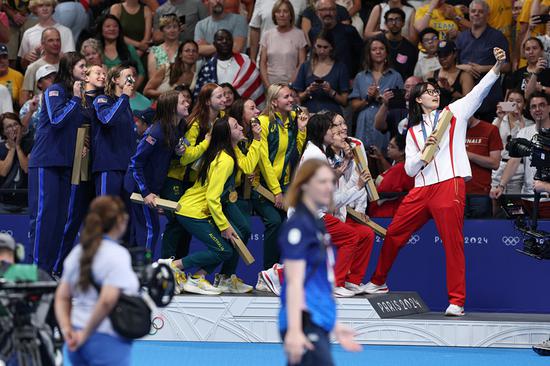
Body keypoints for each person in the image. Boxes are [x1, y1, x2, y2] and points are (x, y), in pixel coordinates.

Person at [364, 48, 507, 317]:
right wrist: (422, 154)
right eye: (429, 91)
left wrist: (498, 67)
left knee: (452, 243)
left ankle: (456, 300)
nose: (435, 94)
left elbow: (479, 92)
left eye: (436, 92)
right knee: (394, 233)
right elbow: (408, 168)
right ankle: (378, 281)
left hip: (449, 185)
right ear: (418, 99)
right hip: (420, 189)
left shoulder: (454, 112)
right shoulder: (414, 131)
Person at [159, 116, 260, 295]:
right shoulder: (226, 160)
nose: (242, 129)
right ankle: (171, 266)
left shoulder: (226, 152)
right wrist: (224, 226)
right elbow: (213, 198)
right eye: (237, 127)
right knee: (223, 250)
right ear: (228, 135)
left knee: (226, 248)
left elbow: (246, 166)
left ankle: (197, 278)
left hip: (199, 209)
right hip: (193, 211)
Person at [279, 159, 362, 366]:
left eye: (331, 181)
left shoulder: (317, 225)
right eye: (322, 182)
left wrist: (334, 324)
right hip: (305, 320)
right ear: (305, 185)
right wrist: (296, 330)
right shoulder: (298, 226)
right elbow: (295, 282)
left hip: (319, 319)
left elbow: (320, 281)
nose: (329, 187)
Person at [54, 196, 139, 366]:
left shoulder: (77, 252)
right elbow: (107, 301)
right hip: (106, 339)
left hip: (75, 341)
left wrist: (67, 331)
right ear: (120, 220)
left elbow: (61, 297)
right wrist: (85, 334)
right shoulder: (118, 254)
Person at [299, 113, 374, 297]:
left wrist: (347, 166)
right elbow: (329, 199)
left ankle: (351, 281)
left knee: (365, 234)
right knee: (350, 237)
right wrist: (357, 187)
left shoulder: (322, 154)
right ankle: (336, 283)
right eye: (332, 128)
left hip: (325, 213)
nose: (337, 131)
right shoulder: (317, 158)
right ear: (322, 132)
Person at [27, 52, 87, 274]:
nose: (85, 70)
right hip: (46, 162)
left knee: (60, 219)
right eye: (82, 66)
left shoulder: (79, 97)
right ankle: (36, 272)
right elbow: (57, 119)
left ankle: (50, 270)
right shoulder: (55, 90)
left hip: (66, 164)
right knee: (44, 217)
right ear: (70, 67)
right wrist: (74, 98)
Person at [53, 64, 107, 277]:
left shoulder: (106, 99)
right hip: (81, 161)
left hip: (101, 164)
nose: (102, 75)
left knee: (99, 220)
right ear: (85, 77)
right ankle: (57, 267)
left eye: (104, 73)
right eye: (97, 73)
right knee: (74, 217)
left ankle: (94, 270)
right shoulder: (77, 98)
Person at [124, 90, 190, 251]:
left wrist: (178, 151)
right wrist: (145, 192)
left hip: (151, 187)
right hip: (138, 188)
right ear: (171, 108)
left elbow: (163, 156)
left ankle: (138, 270)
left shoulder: (179, 126)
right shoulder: (156, 131)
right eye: (183, 102)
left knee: (143, 231)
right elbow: (135, 163)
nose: (188, 103)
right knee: (150, 230)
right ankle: (145, 272)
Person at [254, 83, 308, 269]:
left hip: (285, 184)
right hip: (262, 185)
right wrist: (276, 191)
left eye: (291, 96)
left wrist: (301, 130)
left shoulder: (293, 119)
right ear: (274, 101)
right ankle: (268, 271)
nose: (291, 100)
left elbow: (296, 152)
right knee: (275, 222)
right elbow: (263, 161)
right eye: (286, 97)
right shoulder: (263, 122)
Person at [491, 92, 550, 217]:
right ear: (529, 110)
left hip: (547, 196)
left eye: (542, 105)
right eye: (533, 106)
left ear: (549, 107)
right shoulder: (524, 132)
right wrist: (501, 186)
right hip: (527, 196)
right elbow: (514, 161)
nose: (537, 109)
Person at [456, 0, 510, 121]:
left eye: (481, 12)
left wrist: (482, 68)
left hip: (490, 99)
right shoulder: (461, 37)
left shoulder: (497, 37)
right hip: (466, 99)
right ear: (469, 14)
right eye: (473, 11)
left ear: (487, 14)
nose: (476, 14)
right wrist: (465, 68)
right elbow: (453, 66)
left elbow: (507, 66)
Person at [350, 37, 403, 152]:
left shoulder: (395, 76)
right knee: (362, 158)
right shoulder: (360, 76)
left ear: (387, 52)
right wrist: (368, 98)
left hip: (385, 123)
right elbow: (353, 106)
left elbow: (400, 106)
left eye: (381, 49)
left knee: (384, 156)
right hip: (364, 123)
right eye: (374, 49)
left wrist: (380, 98)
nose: (378, 52)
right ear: (369, 53)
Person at [92, 64, 137, 198]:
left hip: (126, 166)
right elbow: (107, 120)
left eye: (133, 77)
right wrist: (124, 97)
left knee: (124, 214)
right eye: (127, 76)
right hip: (108, 165)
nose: (131, 80)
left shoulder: (126, 105)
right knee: (106, 211)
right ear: (115, 80)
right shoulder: (103, 99)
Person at [194, 29, 265, 107]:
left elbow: (256, 87)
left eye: (228, 39)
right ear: (214, 44)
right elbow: (203, 96)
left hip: (242, 110)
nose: (224, 41)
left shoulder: (245, 61)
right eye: (220, 39)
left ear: (232, 42)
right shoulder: (207, 68)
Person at [292, 30, 349, 114]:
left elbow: (344, 101)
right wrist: (307, 91)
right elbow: (297, 98)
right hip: (309, 113)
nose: (322, 51)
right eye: (319, 46)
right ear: (314, 46)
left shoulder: (340, 68)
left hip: (332, 114)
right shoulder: (305, 66)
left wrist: (331, 91)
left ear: (331, 47)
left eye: (325, 47)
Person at [491, 91, 533, 198]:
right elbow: (492, 139)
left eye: (518, 101)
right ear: (505, 102)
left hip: (518, 168)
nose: (514, 104)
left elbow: (525, 143)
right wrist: (500, 118)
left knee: (515, 202)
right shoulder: (498, 120)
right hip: (499, 166)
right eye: (510, 101)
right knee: (495, 200)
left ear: (524, 105)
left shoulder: (529, 124)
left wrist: (520, 120)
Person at [308, 0, 363, 77]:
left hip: (346, 81)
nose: (328, 13)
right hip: (321, 79)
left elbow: (361, 57)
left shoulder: (349, 31)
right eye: (323, 10)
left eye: (331, 9)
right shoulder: (313, 32)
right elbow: (314, 57)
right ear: (317, 13)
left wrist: (355, 78)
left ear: (336, 12)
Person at [259, 0, 307, 87]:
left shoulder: (299, 34)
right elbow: (262, 63)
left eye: (285, 11)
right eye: (278, 11)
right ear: (274, 14)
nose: (281, 15)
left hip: (292, 84)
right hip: (271, 85)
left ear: (291, 15)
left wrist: (290, 84)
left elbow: (302, 63)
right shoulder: (267, 35)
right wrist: (268, 86)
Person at [18, 0, 75, 69]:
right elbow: (23, 66)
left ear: (53, 8)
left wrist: (51, 53)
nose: (45, 9)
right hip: (36, 77)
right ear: (34, 9)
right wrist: (26, 59)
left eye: (48, 5)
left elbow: (71, 62)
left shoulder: (65, 31)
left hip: (59, 76)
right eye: (40, 5)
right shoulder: (28, 33)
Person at [464, 116, 503, 218]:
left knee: (481, 232)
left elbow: (495, 163)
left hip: (480, 193)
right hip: (454, 193)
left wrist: (468, 155)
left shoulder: (490, 129)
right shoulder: (451, 130)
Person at [368, 135, 415, 217]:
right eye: (388, 145)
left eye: (392, 147)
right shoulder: (399, 166)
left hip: (387, 212)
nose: (388, 148)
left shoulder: (400, 168)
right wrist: (380, 158)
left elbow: (382, 189)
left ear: (402, 151)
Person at [97, 15, 146, 89]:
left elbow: (141, 72)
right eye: (108, 26)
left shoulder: (129, 49)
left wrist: (132, 90)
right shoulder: (96, 50)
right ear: (101, 30)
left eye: (115, 26)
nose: (112, 29)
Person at [427, 40, 474, 109]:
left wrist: (451, 90)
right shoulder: (431, 75)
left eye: (446, 54)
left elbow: (469, 104)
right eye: (440, 55)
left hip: (457, 115)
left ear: (455, 54)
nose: (443, 58)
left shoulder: (465, 76)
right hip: (436, 116)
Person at [0, 113, 32, 214]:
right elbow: (3, 171)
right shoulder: (0, 148)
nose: (13, 129)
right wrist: (12, 148)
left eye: (15, 124)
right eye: (9, 127)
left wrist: (17, 146)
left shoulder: (30, 144)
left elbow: (26, 168)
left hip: (26, 203)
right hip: (4, 203)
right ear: (3, 132)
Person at [20, 27, 61, 105]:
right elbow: (23, 101)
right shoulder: (33, 68)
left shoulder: (66, 65)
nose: (55, 43)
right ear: (43, 44)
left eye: (58, 40)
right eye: (50, 40)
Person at [382, 8, 418, 81]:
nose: (394, 23)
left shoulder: (410, 48)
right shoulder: (377, 43)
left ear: (403, 23)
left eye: (397, 20)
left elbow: (410, 74)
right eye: (390, 20)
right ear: (385, 23)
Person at [20, 64, 57, 132]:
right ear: (39, 83)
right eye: (48, 78)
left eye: (55, 77)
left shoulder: (65, 102)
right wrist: (31, 112)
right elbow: (20, 131)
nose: (53, 80)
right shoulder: (29, 105)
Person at [147, 13, 181, 78]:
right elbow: (152, 78)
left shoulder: (185, 48)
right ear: (162, 30)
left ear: (179, 30)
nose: (172, 30)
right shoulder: (154, 51)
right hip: (159, 86)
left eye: (175, 27)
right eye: (168, 27)